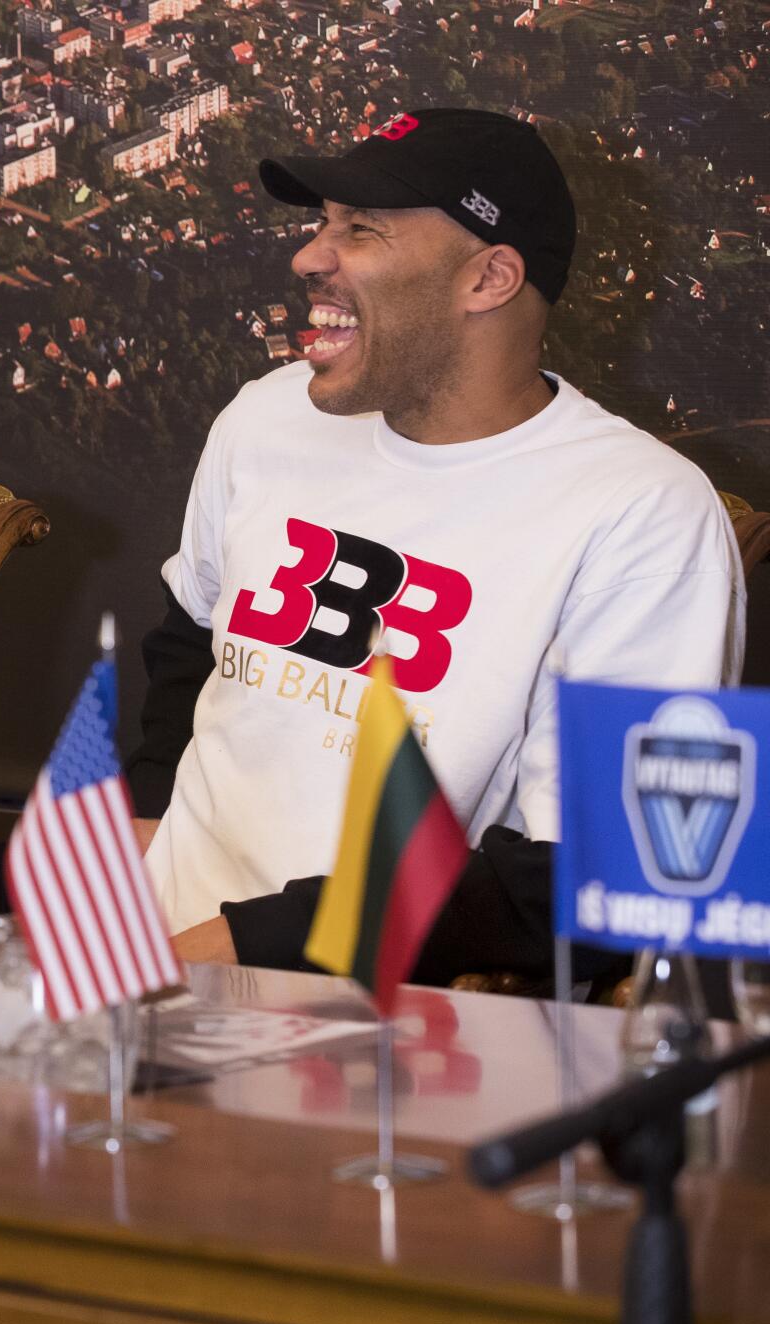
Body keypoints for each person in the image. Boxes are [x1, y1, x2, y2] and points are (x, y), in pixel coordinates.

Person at [126, 109, 743, 984]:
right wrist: (133, 867)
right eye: (320, 224)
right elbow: (190, 634)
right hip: (144, 969)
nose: (308, 257)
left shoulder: (645, 515)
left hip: (388, 1037)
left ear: (489, 277)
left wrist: (236, 951)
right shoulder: (267, 415)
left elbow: (603, 881)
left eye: (360, 230)